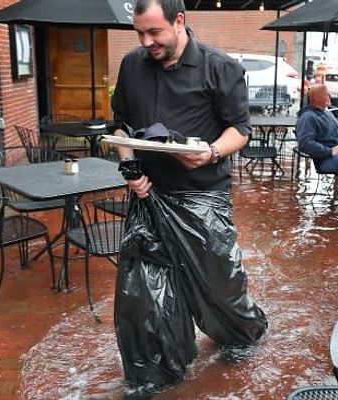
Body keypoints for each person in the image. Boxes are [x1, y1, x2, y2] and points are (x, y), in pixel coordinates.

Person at [110, 0, 268, 394]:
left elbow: (241, 130)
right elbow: (121, 126)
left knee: (219, 286)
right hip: (148, 198)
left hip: (203, 198)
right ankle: (156, 371)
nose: (147, 42)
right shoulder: (132, 65)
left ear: (179, 21)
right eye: (140, 34)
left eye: (155, 32)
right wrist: (130, 169)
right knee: (144, 294)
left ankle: (240, 334)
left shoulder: (220, 67)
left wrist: (211, 152)